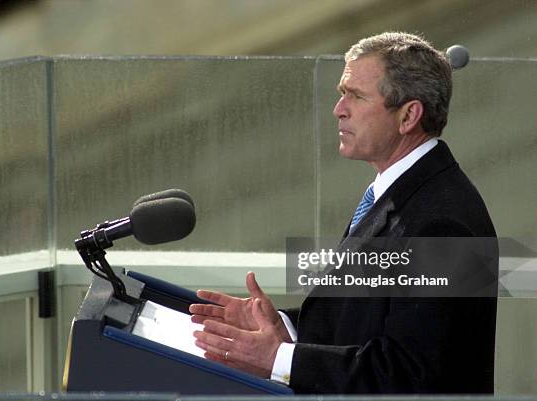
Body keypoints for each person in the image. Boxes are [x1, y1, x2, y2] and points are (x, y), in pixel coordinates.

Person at [190, 32, 498, 394]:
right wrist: (283, 329)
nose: (339, 109)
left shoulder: (441, 223)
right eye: (341, 93)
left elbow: (411, 375)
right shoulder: (398, 191)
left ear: (409, 115)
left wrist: (279, 360)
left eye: (356, 96)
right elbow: (362, 324)